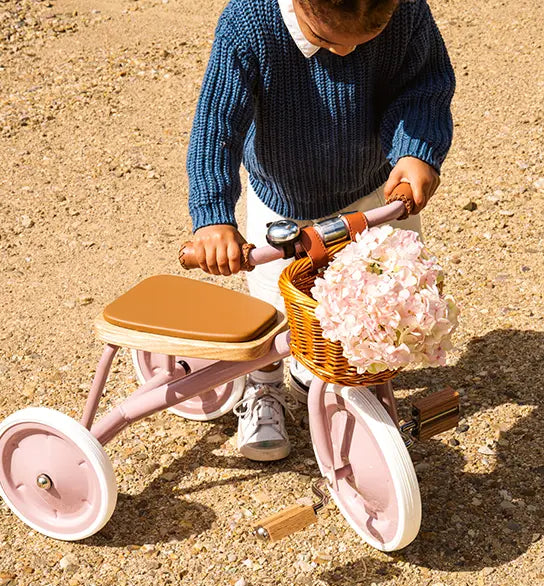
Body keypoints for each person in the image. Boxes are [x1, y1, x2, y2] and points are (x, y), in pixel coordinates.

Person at [186, 0, 455, 461]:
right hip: (285, 203)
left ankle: (351, 378)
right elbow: (218, 125)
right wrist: (213, 218)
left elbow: (424, 86)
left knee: (379, 298)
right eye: (328, 40)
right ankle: (263, 384)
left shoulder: (404, 9)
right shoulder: (249, 23)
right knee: (273, 309)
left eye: (365, 38)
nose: (346, 52)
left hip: (376, 187)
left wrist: (416, 152)